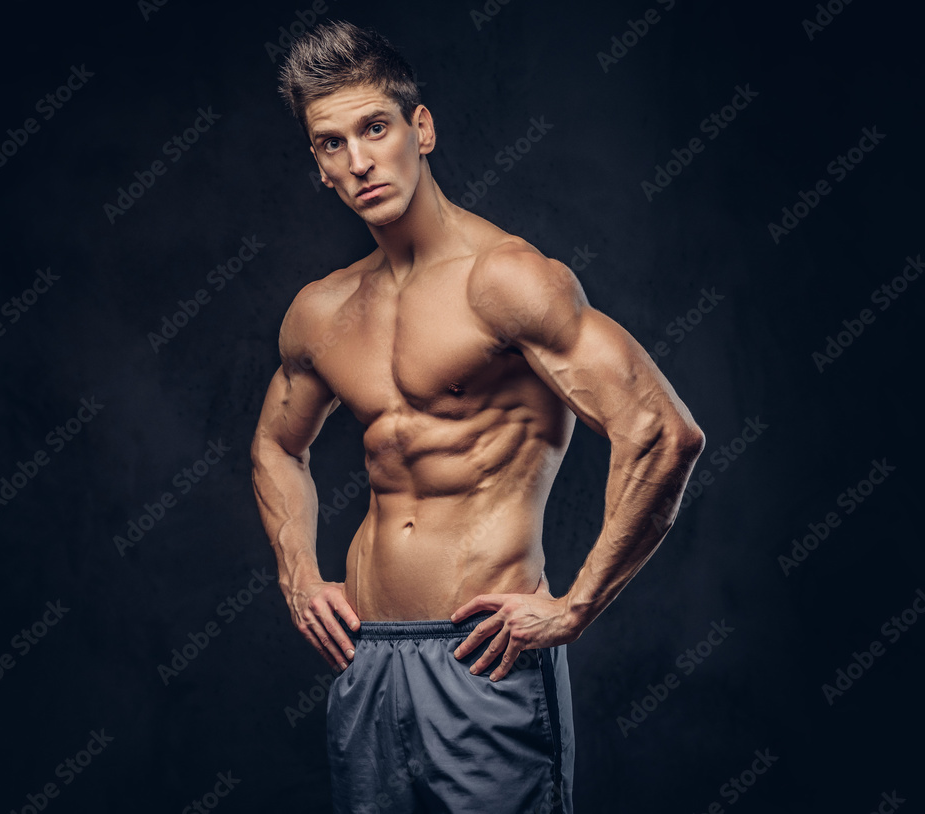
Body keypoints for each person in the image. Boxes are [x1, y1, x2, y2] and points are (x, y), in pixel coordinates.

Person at [251, 20, 705, 814]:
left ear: (420, 128)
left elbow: (663, 433)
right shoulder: (320, 312)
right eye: (331, 143)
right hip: (367, 663)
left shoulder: (507, 282)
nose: (359, 161)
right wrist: (297, 575)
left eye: (375, 128)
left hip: (483, 660)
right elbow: (274, 448)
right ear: (317, 166)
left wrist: (576, 605)